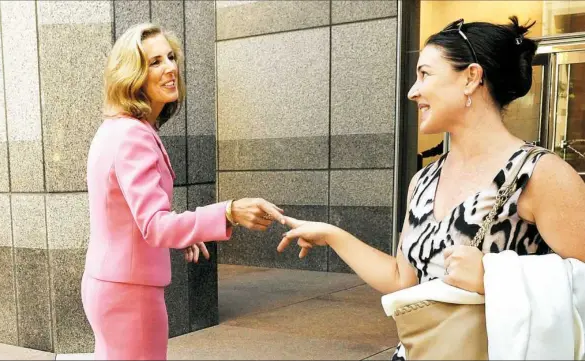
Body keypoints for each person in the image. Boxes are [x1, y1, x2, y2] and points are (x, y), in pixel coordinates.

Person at [276, 16, 585, 360]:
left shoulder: (540, 174)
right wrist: (333, 235)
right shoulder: (424, 179)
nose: (412, 91)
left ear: (471, 77)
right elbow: (401, 278)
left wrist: (495, 277)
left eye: (425, 74)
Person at [82, 23, 283, 360]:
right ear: (133, 76)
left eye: (171, 57)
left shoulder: (114, 129)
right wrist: (229, 211)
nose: (170, 68)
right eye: (155, 62)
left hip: (110, 286)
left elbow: (128, 214)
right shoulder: (134, 136)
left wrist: (182, 233)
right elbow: (154, 224)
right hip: (130, 296)